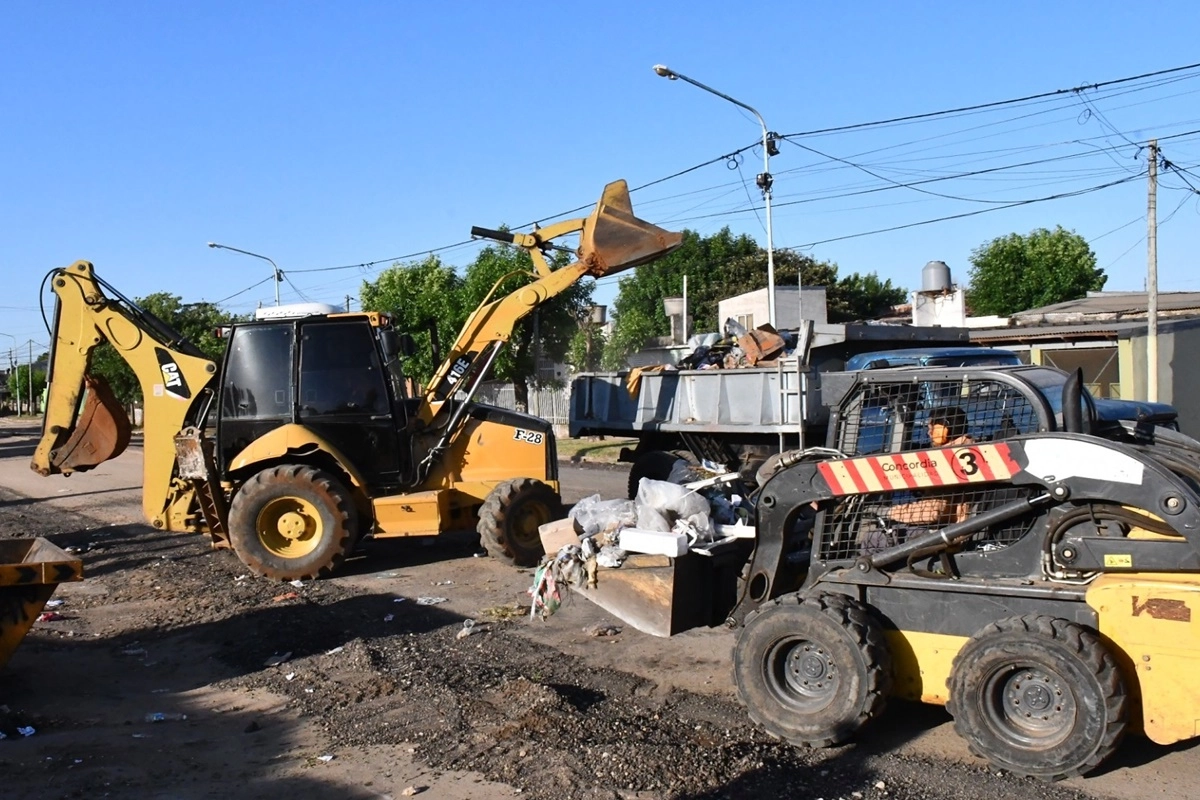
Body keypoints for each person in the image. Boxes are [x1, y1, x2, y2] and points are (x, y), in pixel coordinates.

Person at [886, 406, 975, 527]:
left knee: (875, 537)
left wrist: (889, 512)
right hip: (951, 525)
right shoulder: (967, 451)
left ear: (943, 429)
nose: (929, 433)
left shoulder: (949, 458)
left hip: (945, 531)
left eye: (932, 428)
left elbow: (933, 511)